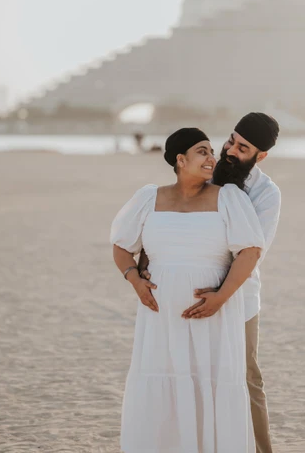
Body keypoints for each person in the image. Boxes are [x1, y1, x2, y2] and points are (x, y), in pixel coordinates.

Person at [111, 127, 265, 453]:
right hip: (161, 317)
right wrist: (135, 280)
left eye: (212, 151)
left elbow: (250, 251)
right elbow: (122, 247)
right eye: (202, 151)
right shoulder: (148, 198)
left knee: (209, 385)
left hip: (213, 316)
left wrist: (221, 297)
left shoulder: (229, 198)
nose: (213, 158)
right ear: (181, 160)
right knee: (162, 383)